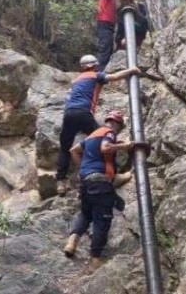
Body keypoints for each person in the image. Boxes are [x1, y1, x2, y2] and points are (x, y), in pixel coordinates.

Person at [62, 110, 149, 270]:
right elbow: (105, 147)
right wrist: (125, 145)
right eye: (120, 127)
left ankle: (72, 241)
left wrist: (84, 168)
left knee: (86, 214)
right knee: (102, 219)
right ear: (116, 124)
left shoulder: (93, 134)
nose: (118, 131)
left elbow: (73, 150)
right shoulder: (109, 133)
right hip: (100, 183)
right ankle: (95, 259)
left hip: (86, 181)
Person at [56, 56, 140, 195]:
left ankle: (60, 181)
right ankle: (114, 174)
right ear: (95, 66)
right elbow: (114, 77)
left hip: (69, 114)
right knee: (105, 137)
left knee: (65, 148)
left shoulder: (76, 80)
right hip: (84, 113)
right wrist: (131, 70)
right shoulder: (96, 75)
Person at [96, 0, 136, 71]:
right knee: (104, 49)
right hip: (104, 25)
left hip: (109, 26)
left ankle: (104, 72)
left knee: (108, 49)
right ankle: (100, 73)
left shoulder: (113, 1)